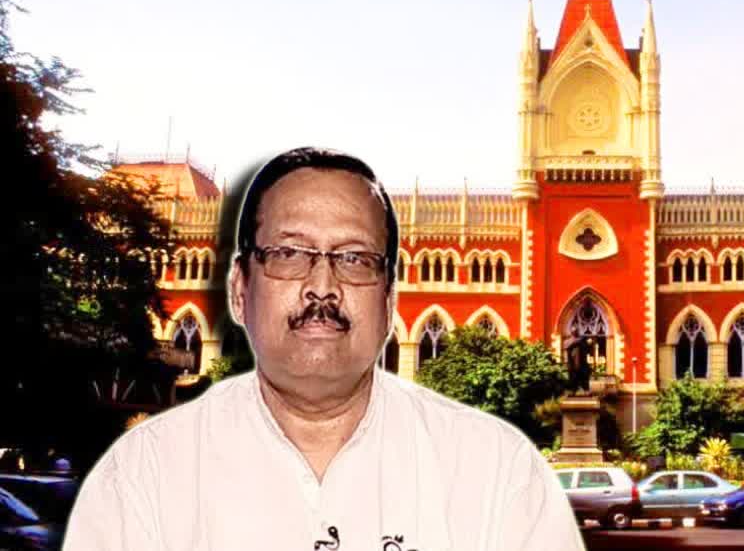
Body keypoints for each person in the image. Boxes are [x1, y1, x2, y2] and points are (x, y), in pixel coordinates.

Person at [64, 148, 585, 550]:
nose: (322, 287)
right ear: (239, 289)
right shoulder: (144, 475)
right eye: (288, 254)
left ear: (391, 298)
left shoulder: (498, 471)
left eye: (355, 259)